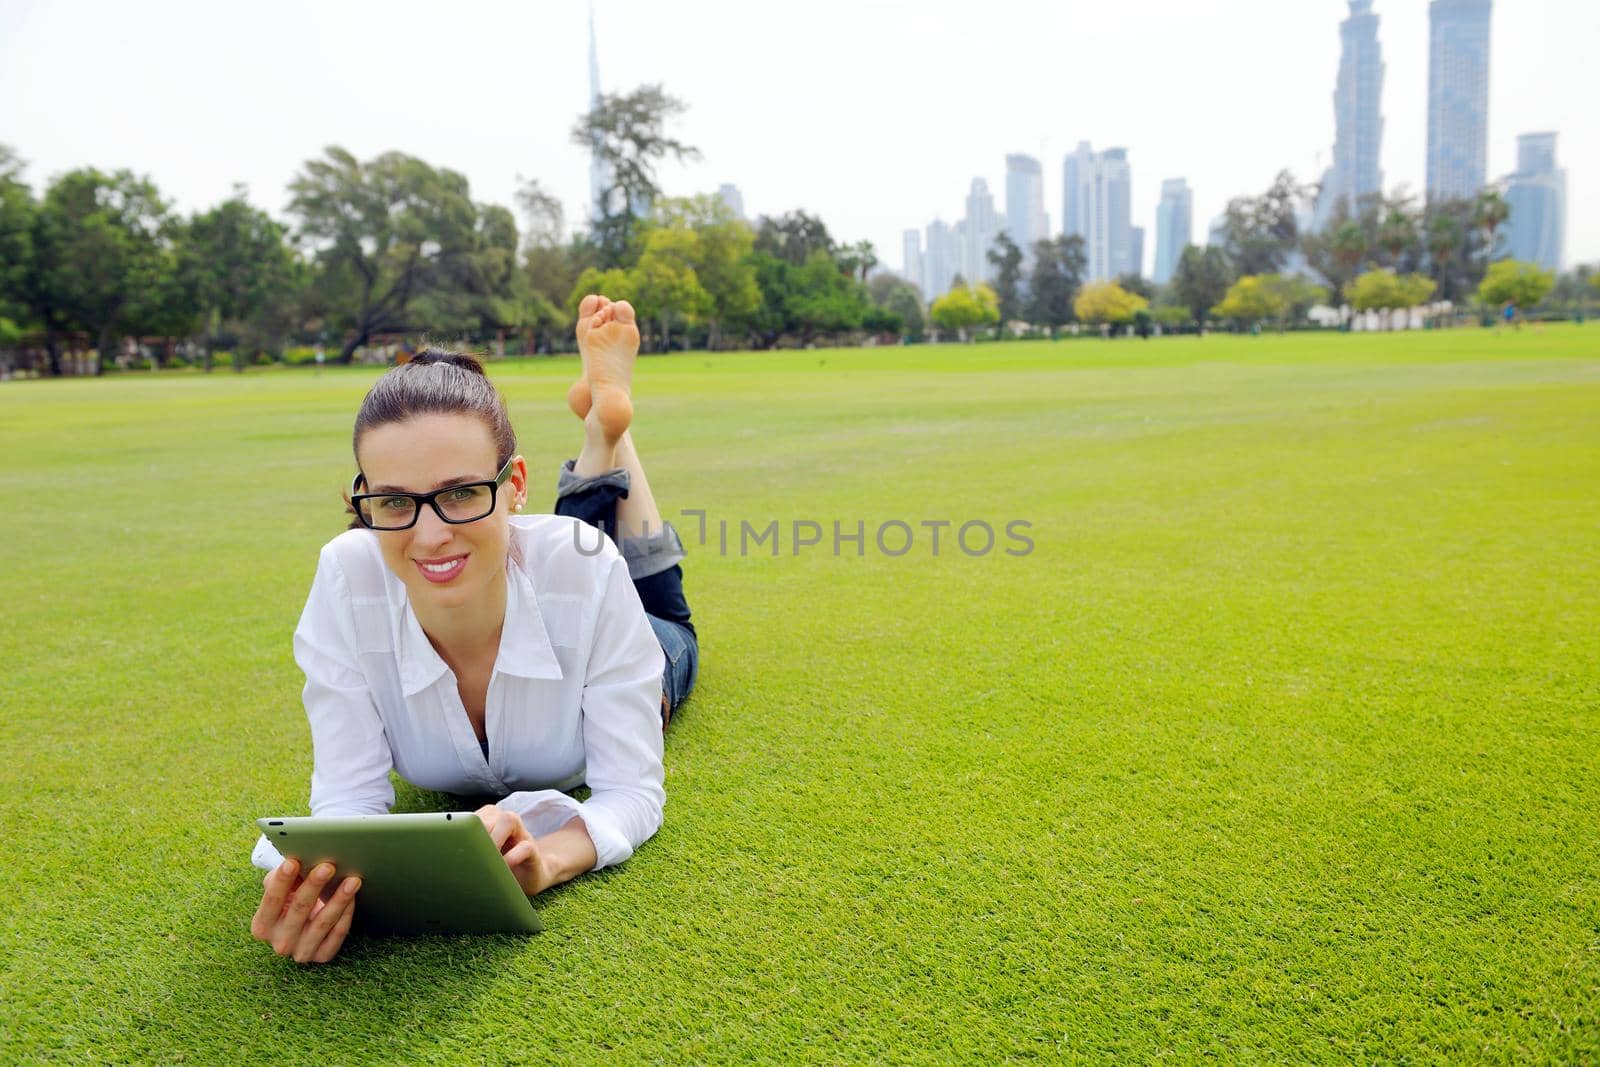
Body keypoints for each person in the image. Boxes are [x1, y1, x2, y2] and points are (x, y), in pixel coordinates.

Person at [249, 295, 697, 964]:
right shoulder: (346, 579)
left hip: (636, 640)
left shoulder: (583, 571)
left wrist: (544, 860)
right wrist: (320, 890)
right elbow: (347, 803)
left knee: (663, 609)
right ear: (362, 500)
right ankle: (600, 431)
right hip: (544, 558)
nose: (429, 536)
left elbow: (631, 791)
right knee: (560, 548)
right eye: (395, 501)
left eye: (462, 492)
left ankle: (612, 431)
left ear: (514, 484)